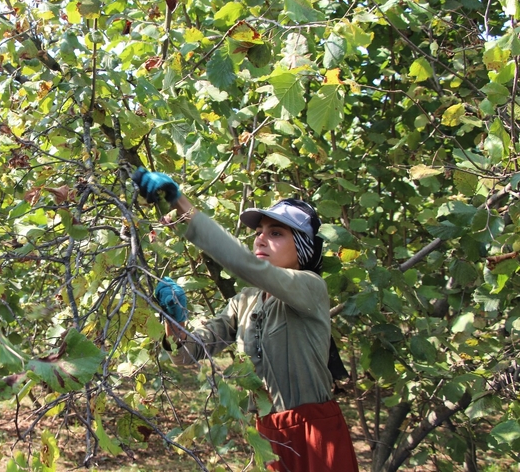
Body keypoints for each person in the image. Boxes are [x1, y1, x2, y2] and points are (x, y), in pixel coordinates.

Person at [133, 167, 359, 472]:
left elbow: (246, 265)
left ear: (303, 249)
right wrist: (174, 322)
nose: (261, 239)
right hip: (269, 437)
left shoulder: (311, 287)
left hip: (316, 436)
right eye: (258, 233)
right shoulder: (245, 302)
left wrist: (181, 205)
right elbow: (188, 353)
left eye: (276, 233)